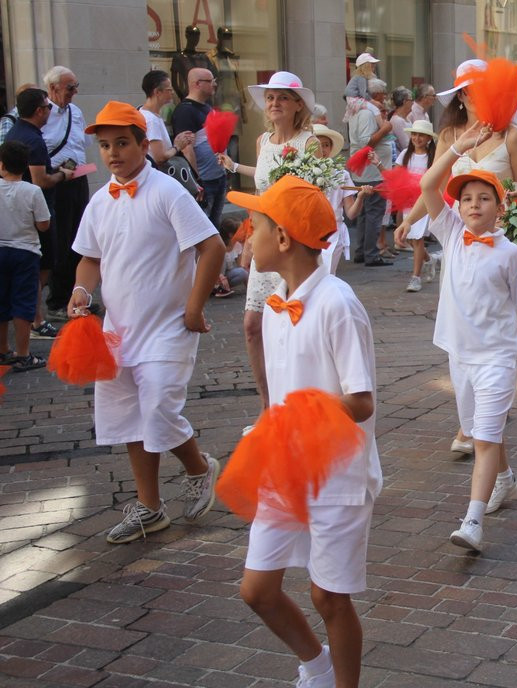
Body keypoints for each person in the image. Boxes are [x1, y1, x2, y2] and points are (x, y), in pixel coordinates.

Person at [229, 176, 381, 688]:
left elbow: (361, 402)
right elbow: (278, 394)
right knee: (257, 590)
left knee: (328, 596)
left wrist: (305, 411)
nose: (247, 235)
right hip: (285, 467)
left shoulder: (338, 303)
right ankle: (316, 667)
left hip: (337, 476)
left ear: (284, 239)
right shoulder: (277, 300)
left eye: (258, 226)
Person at [68, 101, 225, 543]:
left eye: (122, 142)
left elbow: (211, 248)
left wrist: (194, 309)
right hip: (117, 330)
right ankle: (150, 507)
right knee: (128, 418)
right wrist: (82, 291)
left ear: (143, 144)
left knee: (157, 407)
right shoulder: (100, 201)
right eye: (105, 145)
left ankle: (198, 468)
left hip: (168, 325)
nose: (113, 152)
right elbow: (89, 259)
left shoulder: (167, 191)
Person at [418, 122, 517, 552]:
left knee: (484, 439)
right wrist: (459, 148)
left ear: (500, 205)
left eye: (484, 197)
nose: (474, 204)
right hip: (460, 356)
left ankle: (471, 522)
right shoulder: (451, 232)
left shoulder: (509, 253)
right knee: (478, 429)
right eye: (467, 198)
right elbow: (428, 183)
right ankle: (505, 478)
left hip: (497, 359)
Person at [217, 71, 319, 414]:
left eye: (282, 98)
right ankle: (267, 404)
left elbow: (312, 197)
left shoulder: (310, 143)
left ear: (296, 105)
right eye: (270, 98)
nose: (275, 103)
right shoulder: (262, 141)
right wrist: (250, 235)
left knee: (290, 324)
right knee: (252, 324)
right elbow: (261, 185)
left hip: (292, 244)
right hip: (263, 238)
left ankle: (295, 400)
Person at [3, 88, 74, 340]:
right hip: (36, 213)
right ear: (39, 111)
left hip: (19, 217)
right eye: (47, 107)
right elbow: (40, 180)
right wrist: (62, 175)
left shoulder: (20, 133)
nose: (50, 111)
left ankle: (32, 318)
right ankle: (36, 320)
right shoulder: (31, 139)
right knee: (41, 268)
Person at [41, 66, 92, 324]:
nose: (75, 92)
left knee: (80, 236)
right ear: (53, 88)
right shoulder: (42, 114)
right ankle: (57, 300)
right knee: (60, 240)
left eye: (75, 86)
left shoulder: (76, 112)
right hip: (57, 181)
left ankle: (79, 295)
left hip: (78, 178)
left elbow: (83, 143)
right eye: (69, 87)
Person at [0, 141, 51, 372]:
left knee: (2, 301)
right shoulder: (33, 191)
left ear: (1, 165)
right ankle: (23, 354)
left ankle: (3, 350)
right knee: (24, 302)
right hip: (26, 252)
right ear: (26, 166)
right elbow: (43, 225)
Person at [346, 78, 396, 267]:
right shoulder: (366, 114)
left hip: (365, 171)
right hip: (372, 172)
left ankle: (362, 251)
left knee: (365, 213)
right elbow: (368, 143)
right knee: (373, 212)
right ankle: (370, 253)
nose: (383, 99)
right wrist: (385, 128)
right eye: (381, 95)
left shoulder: (356, 112)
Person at [173, 67, 228, 227]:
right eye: (210, 81)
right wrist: (197, 182)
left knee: (215, 225)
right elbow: (187, 148)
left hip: (218, 176)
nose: (214, 85)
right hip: (204, 181)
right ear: (197, 84)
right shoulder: (185, 111)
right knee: (203, 227)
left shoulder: (207, 107)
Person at [395, 120, 437, 293]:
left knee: (418, 238)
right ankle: (429, 259)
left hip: (424, 201)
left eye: (421, 135)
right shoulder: (405, 154)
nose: (417, 138)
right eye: (414, 134)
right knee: (412, 238)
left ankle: (415, 277)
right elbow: (395, 175)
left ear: (428, 138)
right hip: (409, 202)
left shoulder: (432, 157)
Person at [312, 124, 355, 274]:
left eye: (326, 145)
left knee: (327, 274)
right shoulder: (302, 173)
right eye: (318, 145)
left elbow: (351, 213)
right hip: (308, 230)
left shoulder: (341, 174)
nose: (322, 150)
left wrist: (361, 196)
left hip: (333, 232)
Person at [139, 70, 195, 166]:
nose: (172, 93)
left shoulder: (148, 114)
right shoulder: (151, 120)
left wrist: (177, 142)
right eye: (169, 89)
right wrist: (177, 147)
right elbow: (159, 158)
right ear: (157, 92)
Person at [388, 86, 413, 151]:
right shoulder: (397, 120)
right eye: (411, 100)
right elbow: (406, 145)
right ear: (404, 101)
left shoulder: (406, 118)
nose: (413, 103)